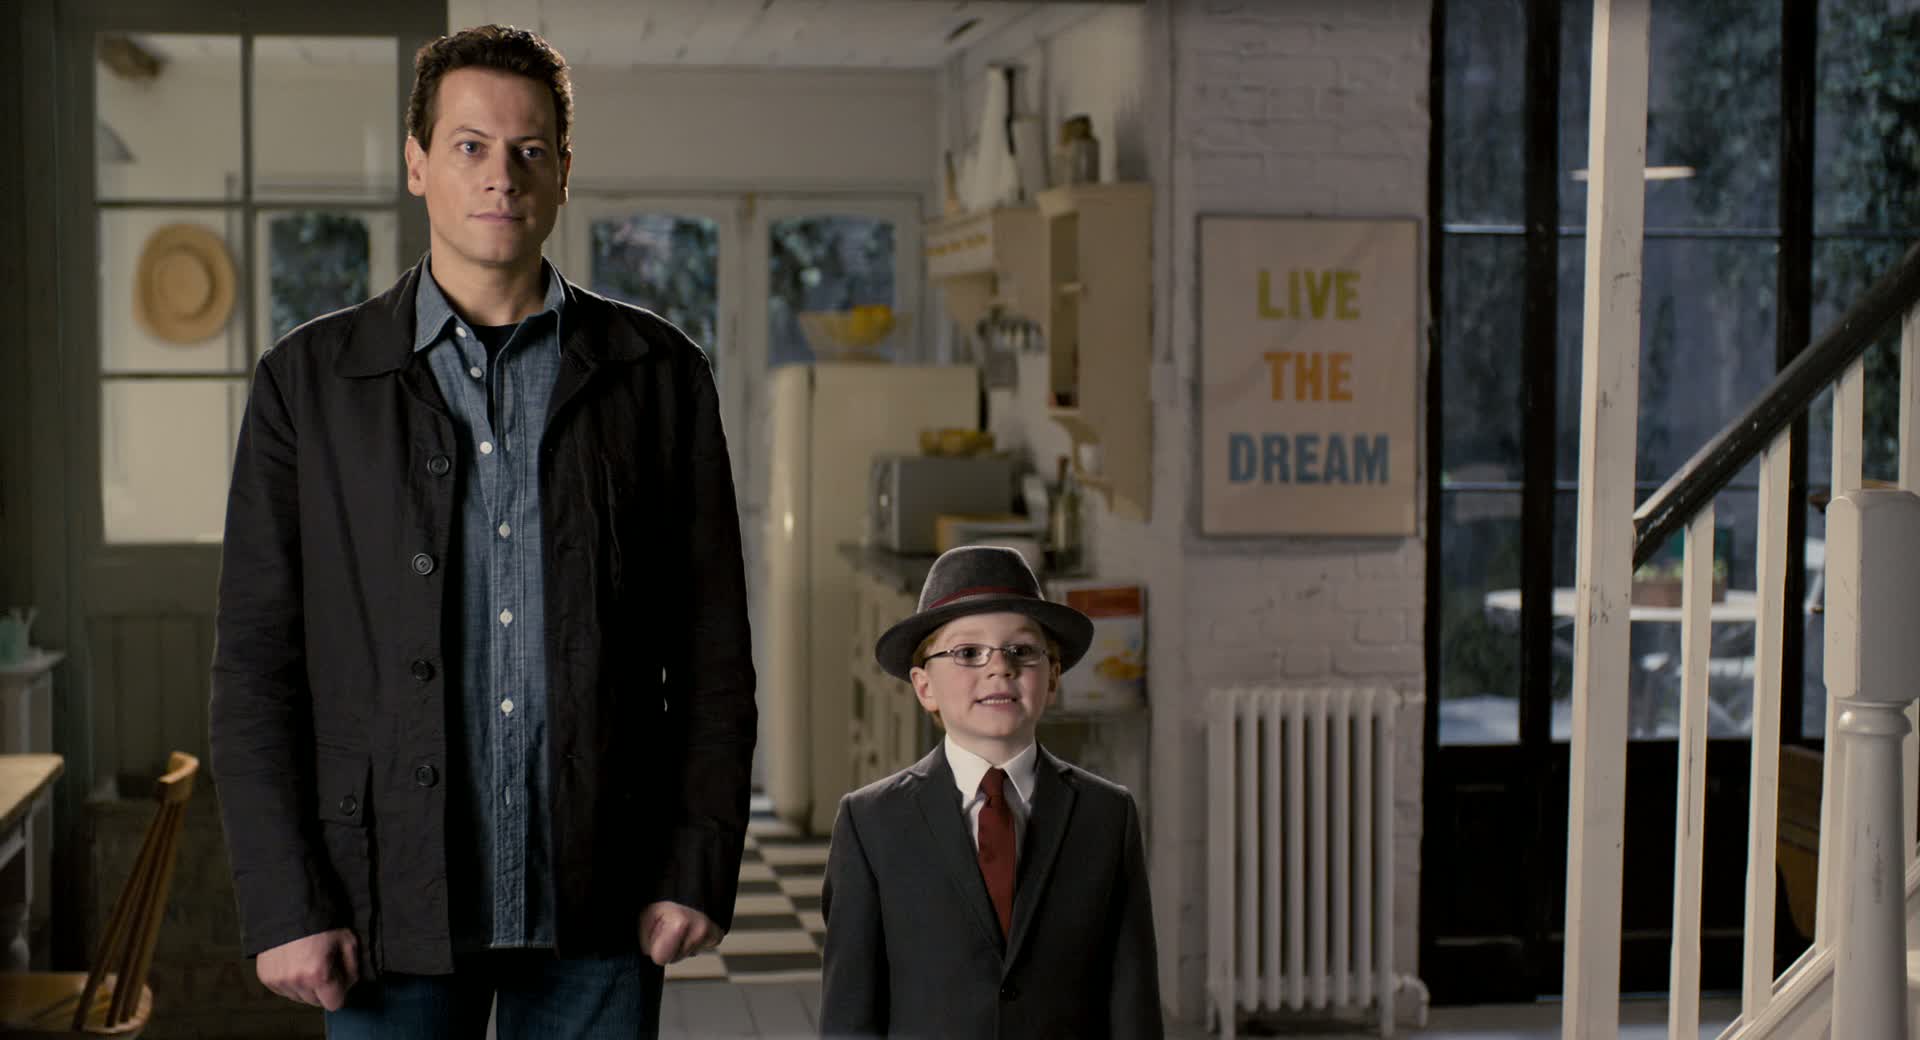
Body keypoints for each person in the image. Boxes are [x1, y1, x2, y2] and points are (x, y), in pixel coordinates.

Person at [208, 24, 756, 1038]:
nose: (501, 174)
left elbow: (712, 654)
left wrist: (698, 861)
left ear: (563, 172)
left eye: (529, 149)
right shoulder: (306, 384)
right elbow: (255, 666)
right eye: (470, 146)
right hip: (380, 904)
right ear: (417, 163)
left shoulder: (661, 375)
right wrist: (287, 903)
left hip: (602, 899)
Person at [818, 545, 1164, 1038]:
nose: (999, 668)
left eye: (1021, 651)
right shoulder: (870, 823)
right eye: (967, 653)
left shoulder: (1108, 815)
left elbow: (1133, 1002)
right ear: (924, 687)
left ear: (1053, 677)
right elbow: (848, 1017)